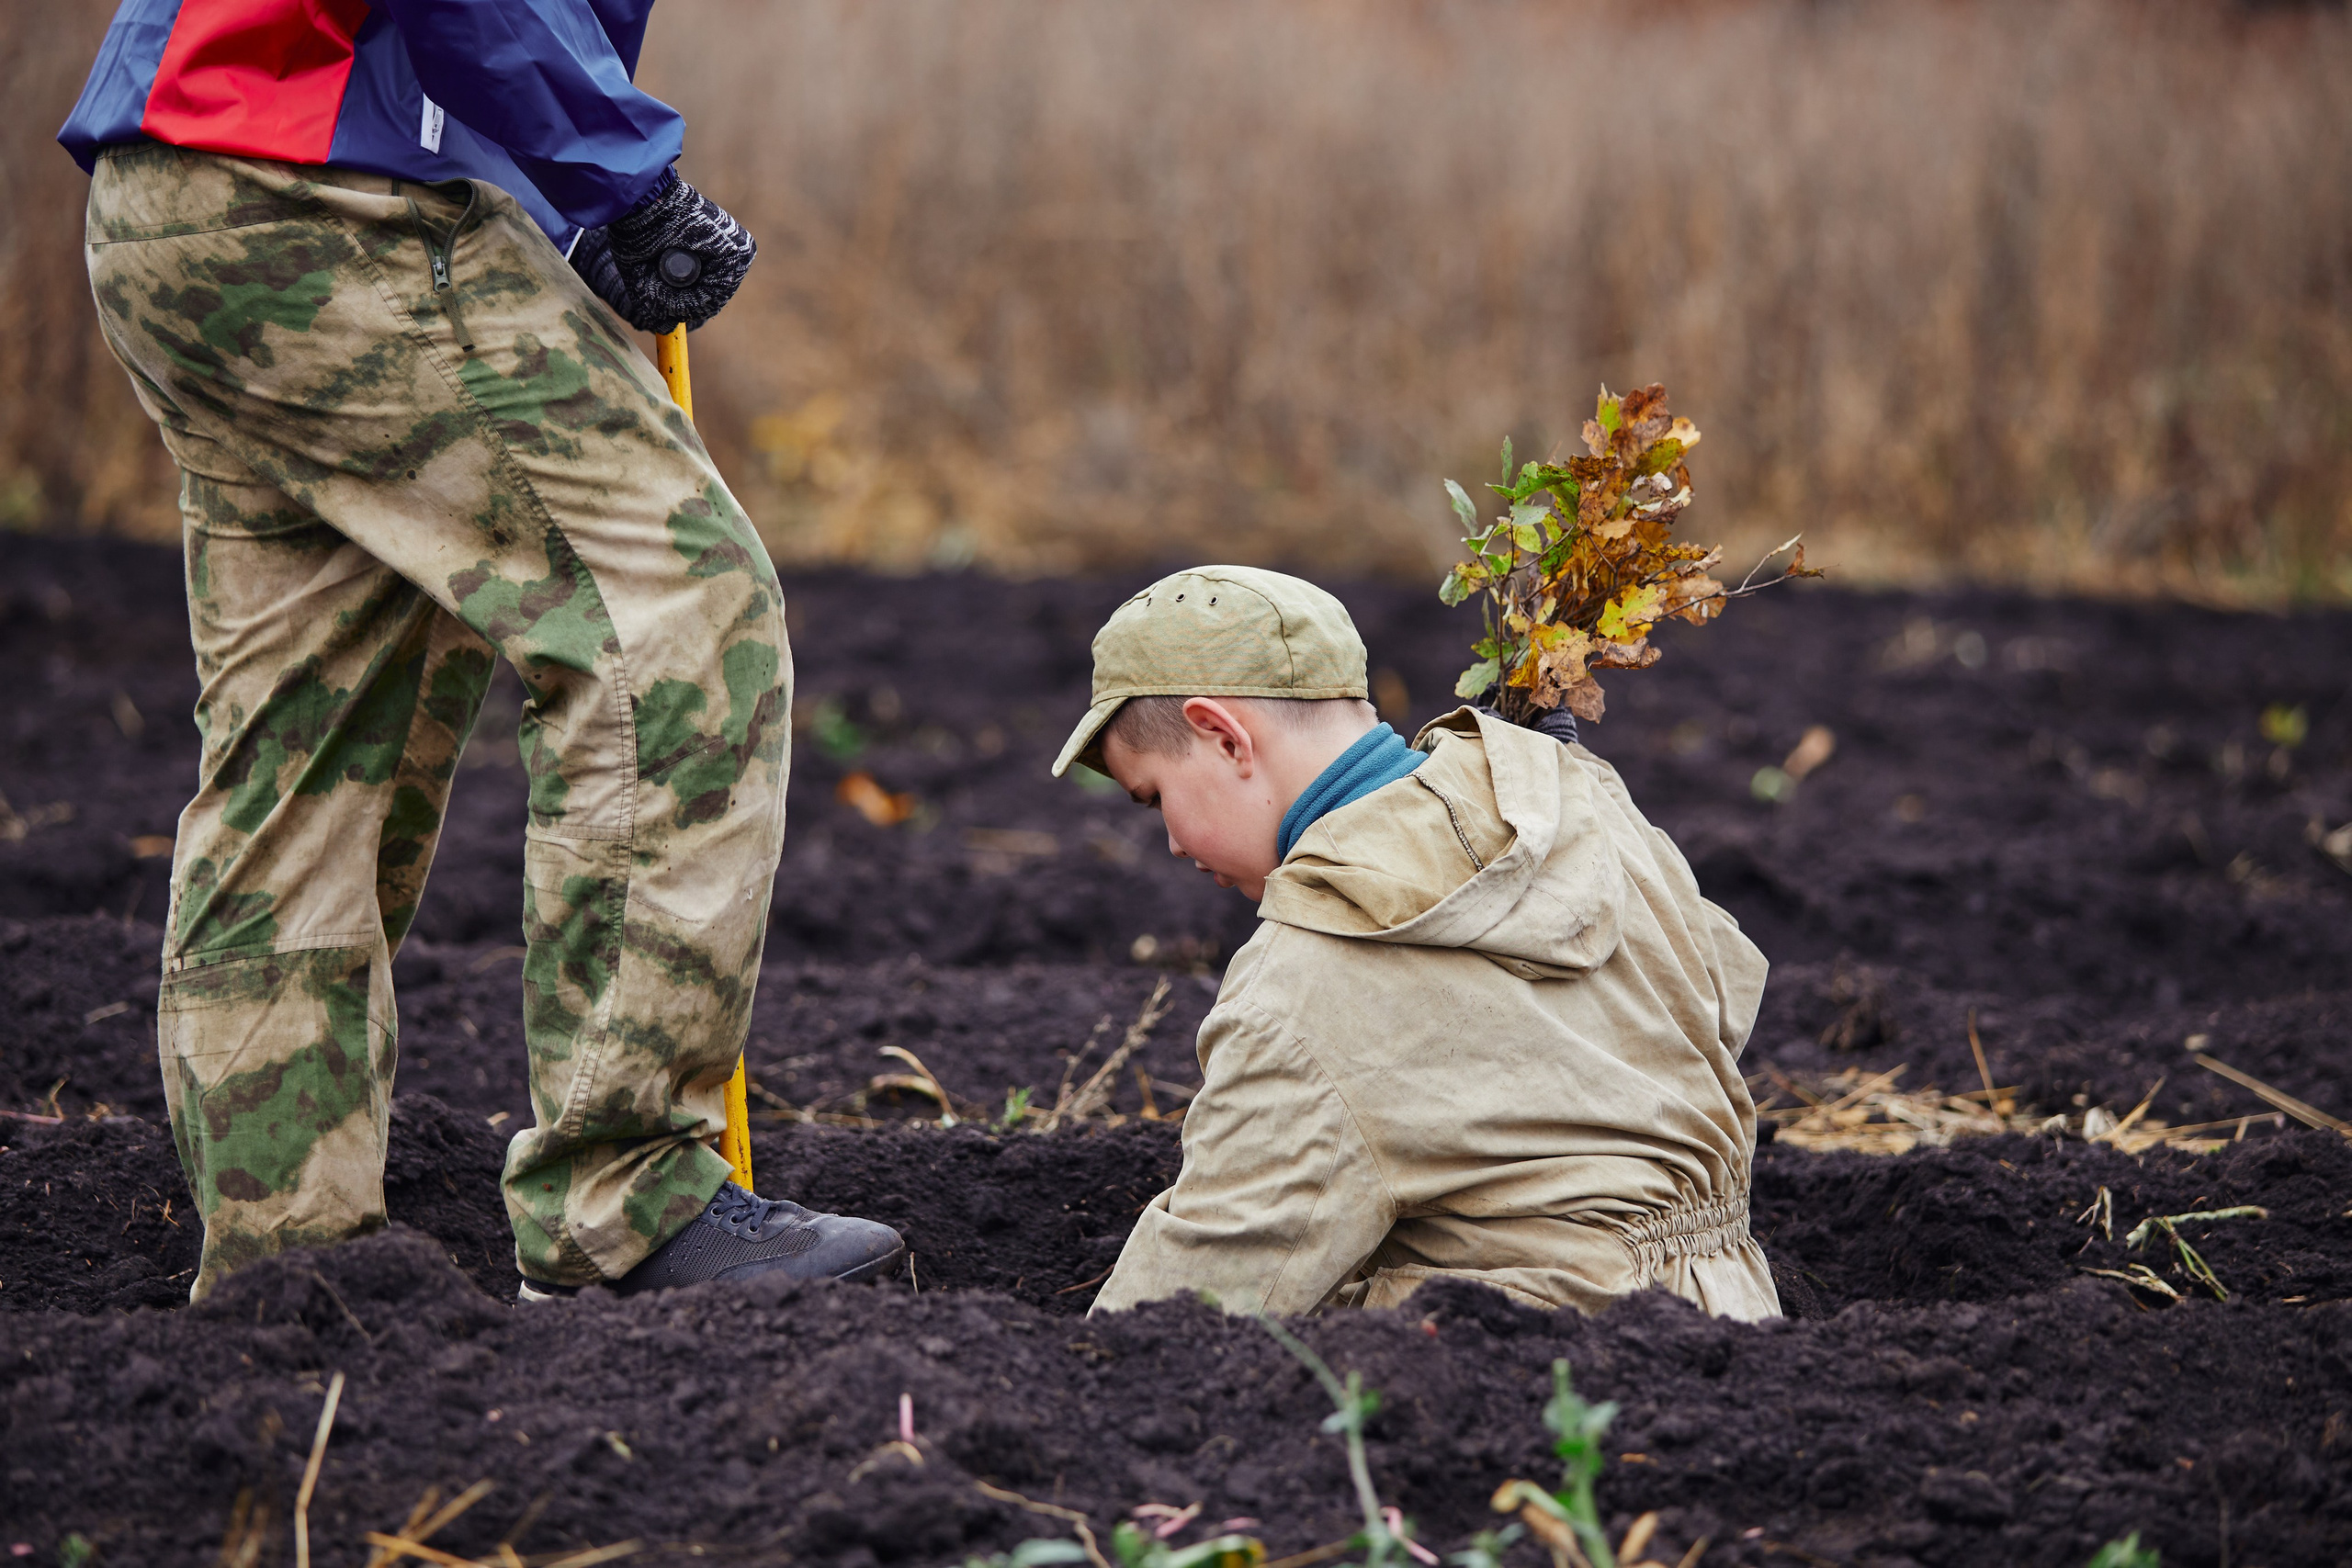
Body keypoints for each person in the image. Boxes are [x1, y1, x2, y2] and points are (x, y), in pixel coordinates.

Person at [58, 0, 903, 1302]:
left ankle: (291, 1274)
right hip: (329, 188)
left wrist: (569, 204)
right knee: (680, 615)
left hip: (175, 201)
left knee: (314, 737)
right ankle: (622, 1207)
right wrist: (618, 179)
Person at [1054, 566, 1781, 1319]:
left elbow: (1189, 1308)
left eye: (1155, 797)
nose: (1173, 842)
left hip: (1541, 1353)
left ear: (1224, 735)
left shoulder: (1306, 985)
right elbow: (1726, 993)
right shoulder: (1571, 804)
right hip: (1734, 1314)